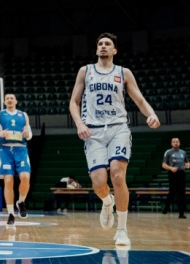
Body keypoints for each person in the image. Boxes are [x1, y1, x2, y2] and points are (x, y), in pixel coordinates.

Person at [68, 32, 160, 247]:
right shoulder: (85, 71)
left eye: (107, 44)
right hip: (93, 131)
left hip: (118, 128)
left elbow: (139, 99)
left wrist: (151, 114)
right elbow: (74, 102)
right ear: (96, 49)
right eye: (100, 43)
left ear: (114, 50)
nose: (103, 46)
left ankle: (122, 230)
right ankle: (107, 201)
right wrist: (79, 124)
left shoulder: (123, 72)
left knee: (118, 175)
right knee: (99, 183)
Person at [0, 93, 33, 226]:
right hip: (5, 150)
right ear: (4, 102)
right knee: (8, 181)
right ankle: (10, 213)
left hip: (21, 149)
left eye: (11, 98)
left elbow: (29, 134)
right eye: (7, 98)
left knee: (25, 177)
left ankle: (21, 202)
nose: (9, 100)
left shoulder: (23, 115)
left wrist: (28, 134)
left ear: (16, 101)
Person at [161, 137, 190, 218]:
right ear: (171, 143)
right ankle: (166, 207)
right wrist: (171, 168)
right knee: (172, 192)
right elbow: (163, 164)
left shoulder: (183, 152)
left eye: (177, 141)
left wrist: (187, 165)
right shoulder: (168, 152)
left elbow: (187, 162)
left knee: (182, 193)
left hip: (181, 173)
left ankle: (181, 213)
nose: (176, 143)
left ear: (179, 143)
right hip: (173, 173)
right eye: (174, 142)